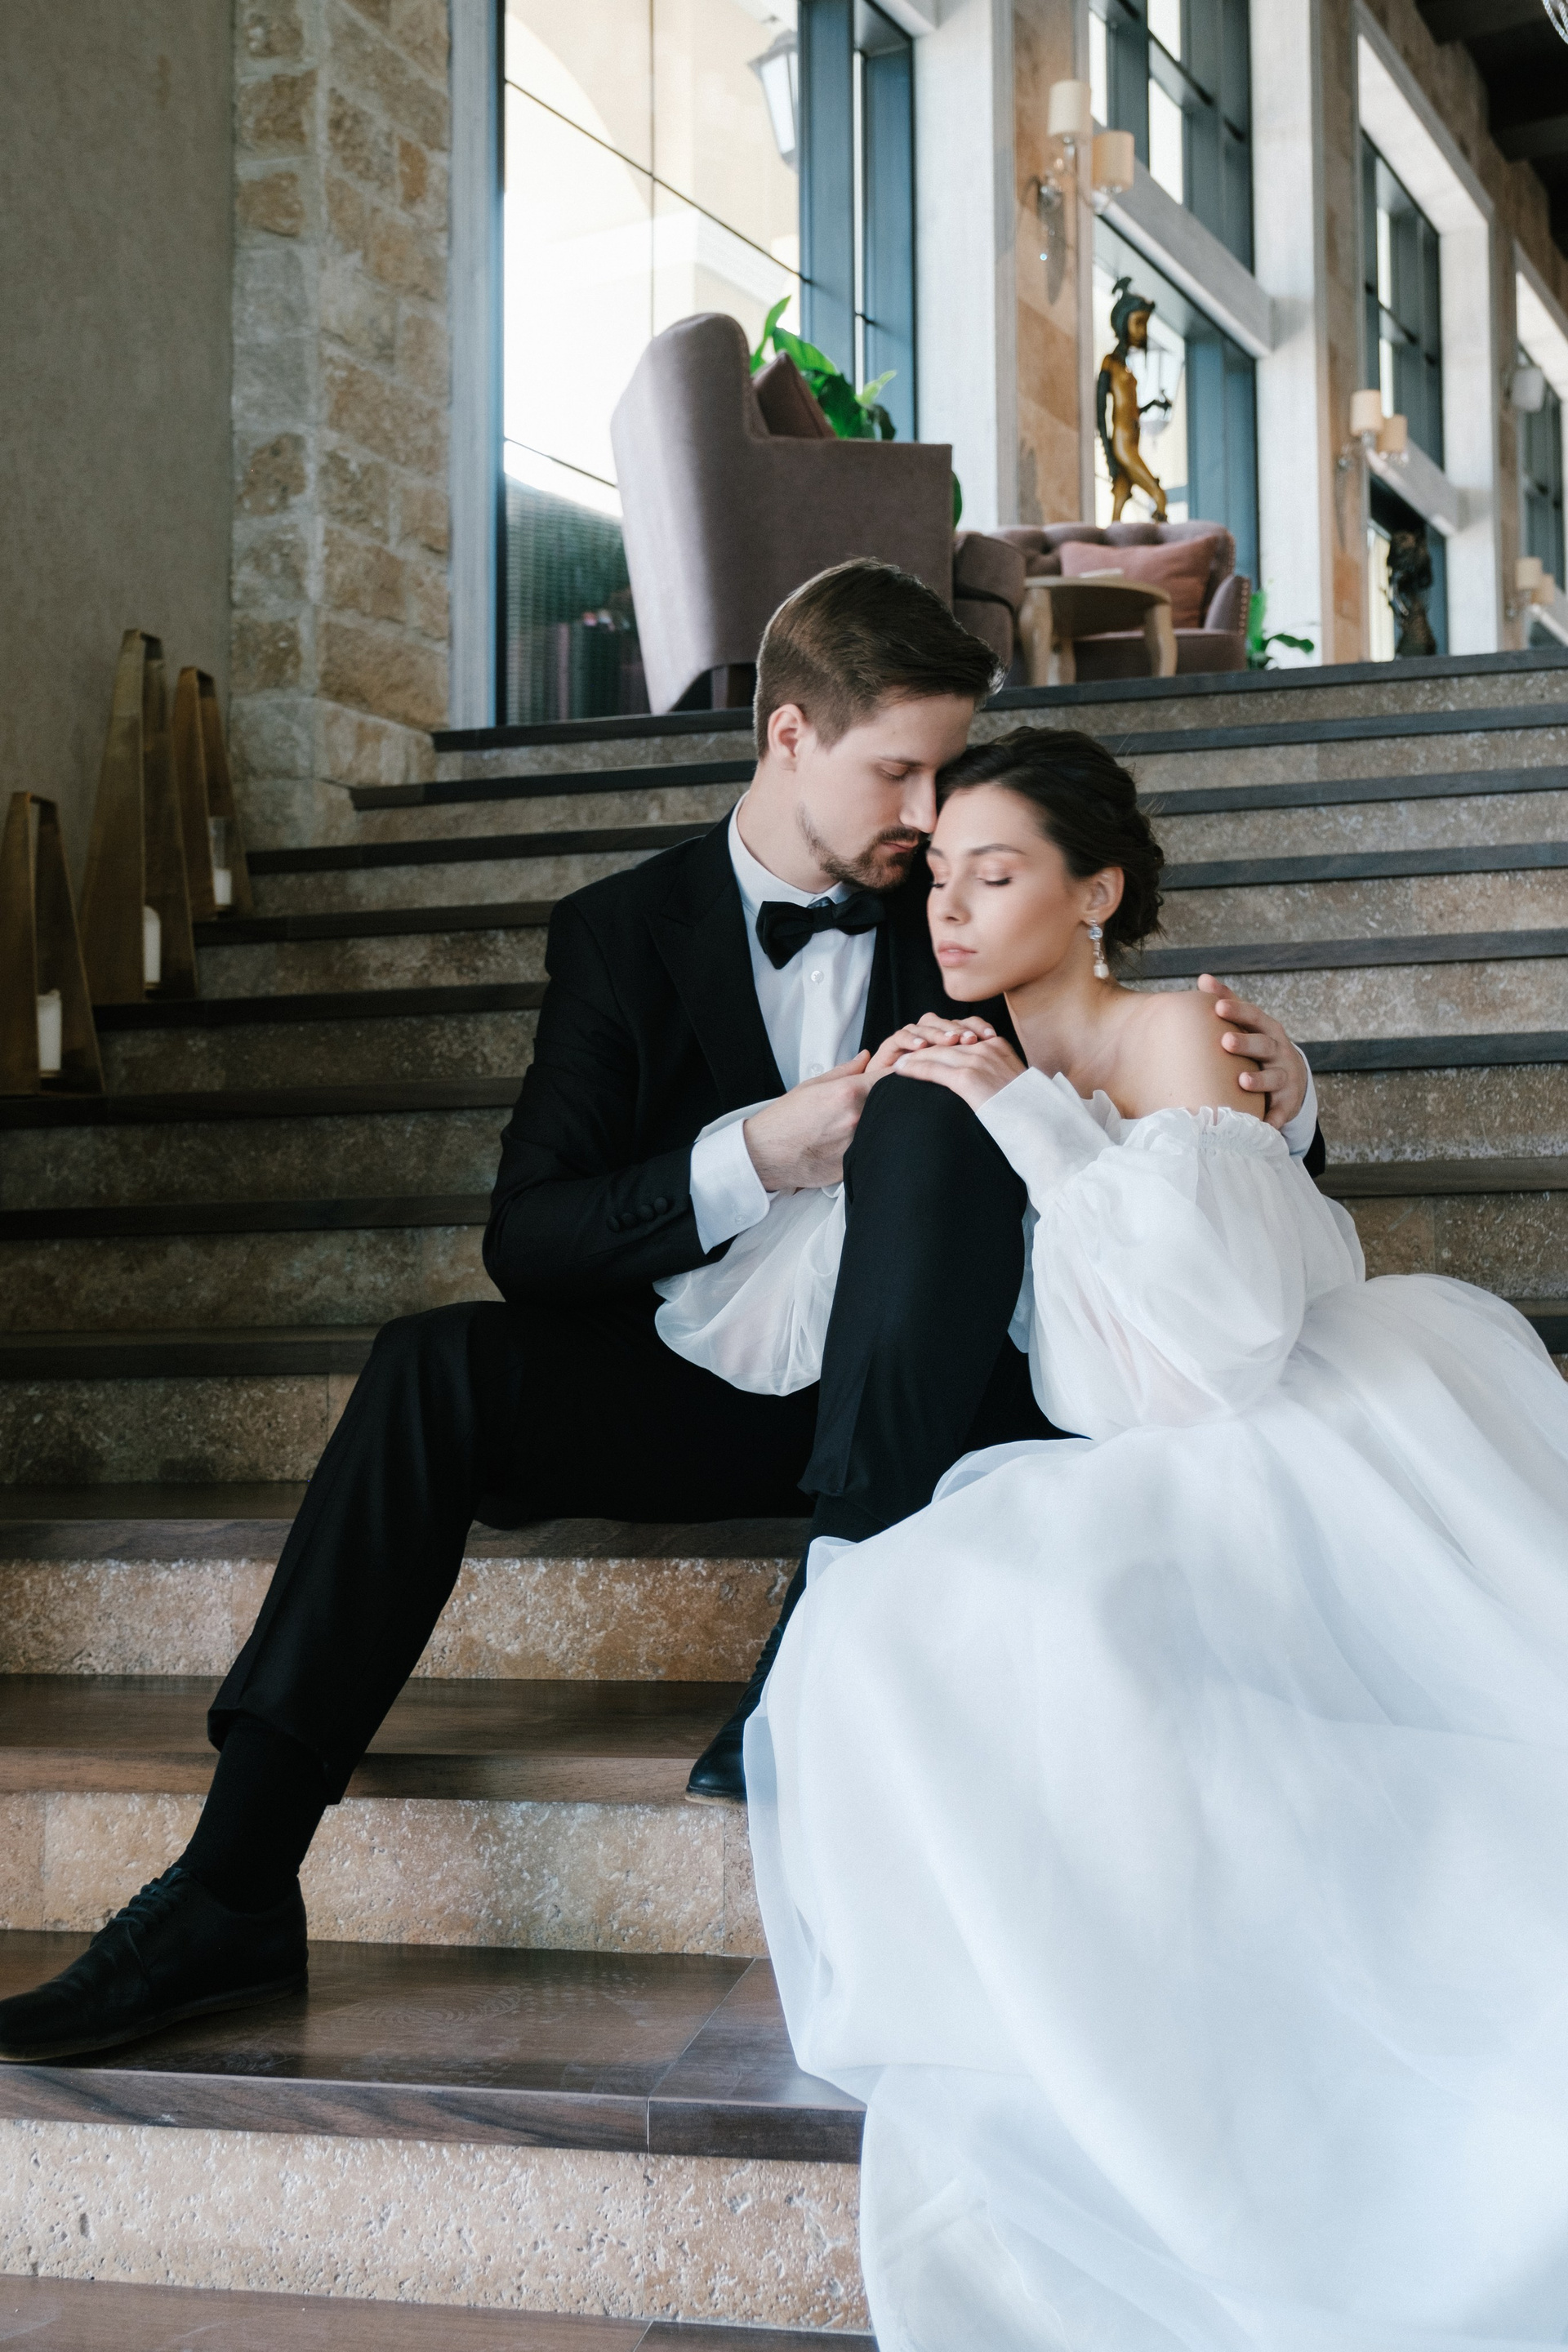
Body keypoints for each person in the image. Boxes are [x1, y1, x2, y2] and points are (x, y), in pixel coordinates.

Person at [0, 568, 1318, 2067]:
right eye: (900, 771)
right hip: (714, 1379)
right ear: (789, 735)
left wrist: (1285, 1097)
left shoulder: (965, 898)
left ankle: (828, 1611)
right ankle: (232, 1881)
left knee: (934, 1118)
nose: (930, 813)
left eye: (948, 776)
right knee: (432, 1369)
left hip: (945, 1401)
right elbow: (531, 1236)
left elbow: (1163, 1139)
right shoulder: (622, 934)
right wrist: (758, 1150)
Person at [724, 727, 1568, 2350]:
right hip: (1120, 1445)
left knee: (1098, 1650)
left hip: (1289, 1435)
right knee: (895, 1624)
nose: (951, 910)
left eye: (997, 875)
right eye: (940, 876)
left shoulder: (1179, 1029)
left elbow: (1221, 1342)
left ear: (1097, 892)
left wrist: (1034, 1122)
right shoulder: (970, 1057)